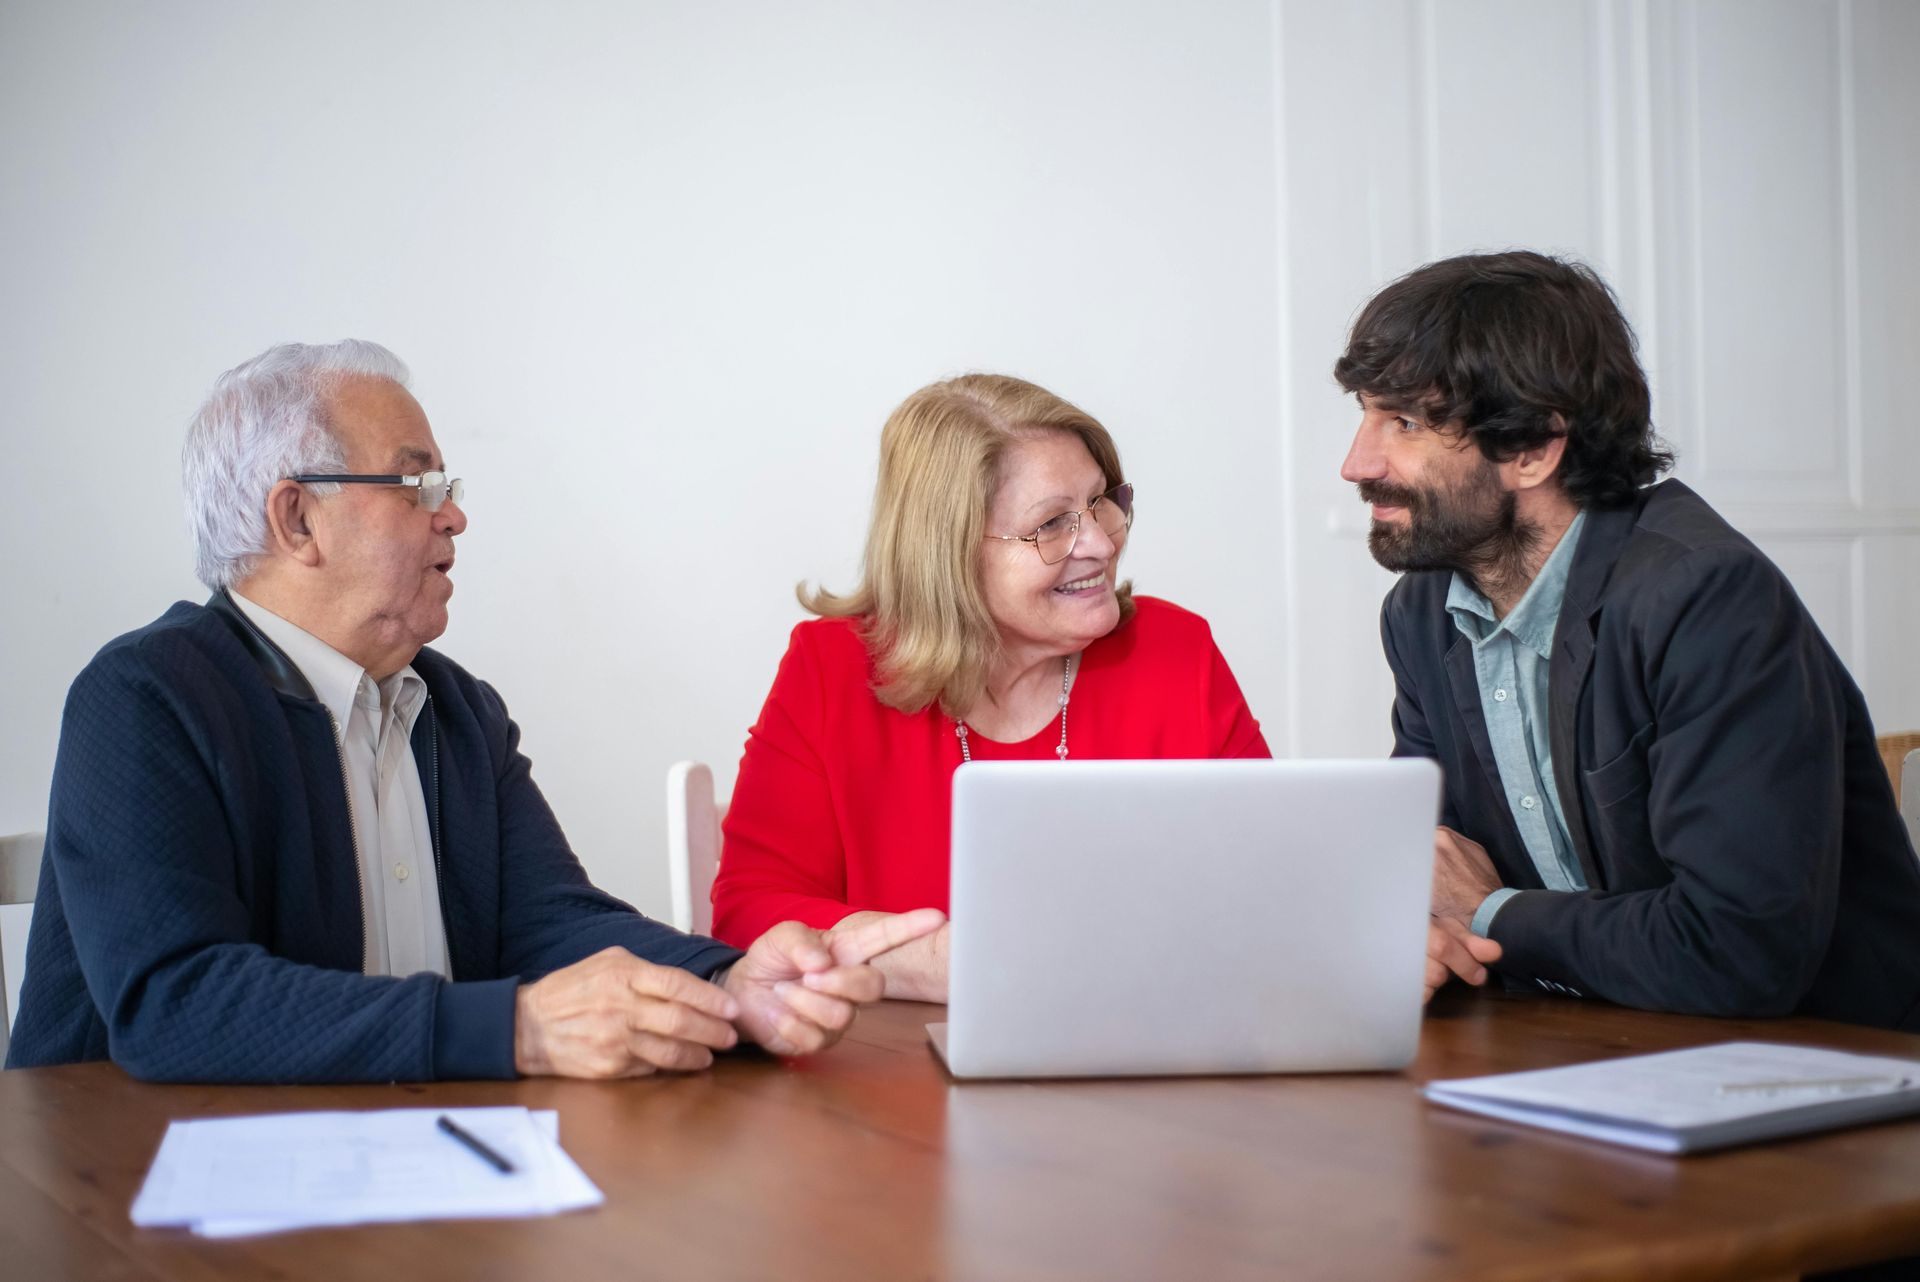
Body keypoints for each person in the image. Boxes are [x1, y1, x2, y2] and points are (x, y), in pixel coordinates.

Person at [7, 340, 941, 1083]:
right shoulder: (144, 697)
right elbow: (179, 1002)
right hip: (134, 1191)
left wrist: (731, 983)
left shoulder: (455, 709)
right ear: (296, 521)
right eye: (419, 486)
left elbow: (552, 923)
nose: (453, 517)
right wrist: (521, 1027)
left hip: (405, 1165)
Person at [1334, 250, 1920, 1026]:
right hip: (1588, 1054)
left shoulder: (1707, 598)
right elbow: (1427, 866)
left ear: (1534, 449)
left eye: (1404, 422)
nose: (1356, 462)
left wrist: (1490, 911)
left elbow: (1736, 953)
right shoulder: (1421, 614)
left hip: (1824, 1078)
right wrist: (1422, 920)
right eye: (1367, 414)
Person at [710, 374, 1269, 1002]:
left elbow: (1267, 885)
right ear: (949, 554)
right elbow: (748, 913)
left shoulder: (1177, 651)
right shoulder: (831, 669)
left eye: (1100, 502)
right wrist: (929, 961)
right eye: (1052, 523)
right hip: (892, 1080)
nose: (1100, 542)